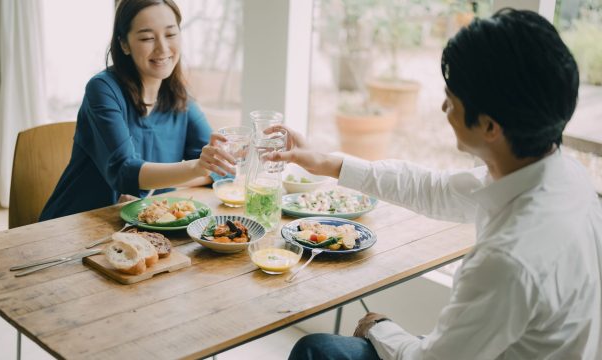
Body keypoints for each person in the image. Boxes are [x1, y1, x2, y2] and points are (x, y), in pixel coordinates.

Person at [266, 9, 602, 360]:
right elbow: (434, 189)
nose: (443, 107)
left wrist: (379, 326)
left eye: (452, 99)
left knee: (315, 351)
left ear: (490, 127)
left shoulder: (508, 259)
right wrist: (326, 162)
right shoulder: (563, 174)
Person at [40, 0, 234, 221]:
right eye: (147, 38)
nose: (162, 48)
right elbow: (125, 172)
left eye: (170, 35)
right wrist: (195, 170)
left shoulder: (181, 99)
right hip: (74, 225)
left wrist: (195, 170)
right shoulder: (103, 90)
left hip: (140, 227)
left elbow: (224, 170)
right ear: (124, 44)